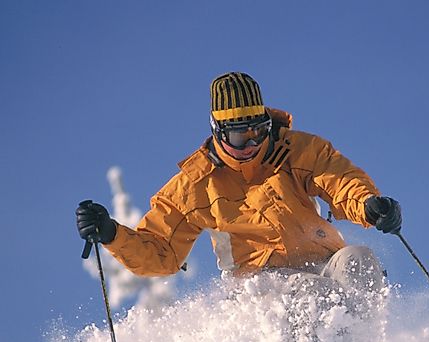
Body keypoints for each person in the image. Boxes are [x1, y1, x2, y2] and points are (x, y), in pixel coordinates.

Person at [76, 71, 401, 297]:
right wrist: (111, 233)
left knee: (358, 260)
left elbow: (338, 181)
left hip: (321, 260)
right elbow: (162, 253)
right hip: (260, 285)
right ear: (218, 131)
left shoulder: (295, 149)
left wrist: (369, 206)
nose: (250, 145)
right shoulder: (195, 186)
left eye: (257, 132)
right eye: (238, 136)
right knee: (311, 294)